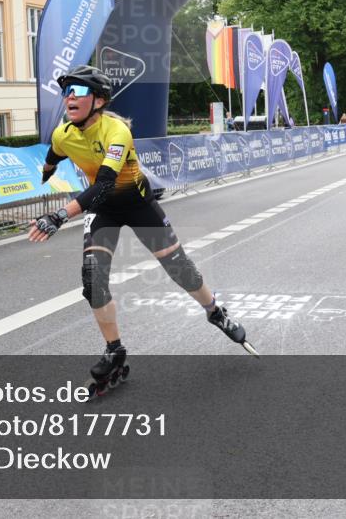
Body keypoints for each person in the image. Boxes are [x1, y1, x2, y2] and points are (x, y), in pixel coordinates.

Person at [29, 66, 255, 390]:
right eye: (66, 91)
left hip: (136, 204)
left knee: (179, 269)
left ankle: (215, 310)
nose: (70, 98)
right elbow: (54, 154)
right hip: (103, 210)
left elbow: (105, 184)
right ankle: (114, 350)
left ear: (99, 100)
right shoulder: (62, 134)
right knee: (93, 279)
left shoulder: (116, 131)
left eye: (78, 91)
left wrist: (58, 216)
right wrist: (46, 171)